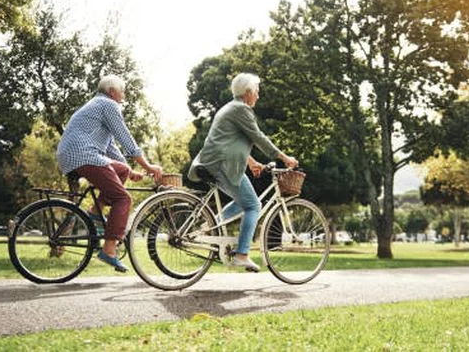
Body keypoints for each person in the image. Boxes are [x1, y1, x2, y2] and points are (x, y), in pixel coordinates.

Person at [188, 73, 298, 272]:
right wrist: (284, 157)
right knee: (253, 205)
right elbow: (257, 137)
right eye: (256, 91)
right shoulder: (241, 109)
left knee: (242, 202)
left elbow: (230, 140)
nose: (258, 95)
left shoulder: (229, 108)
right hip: (223, 164)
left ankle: (210, 224)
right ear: (248, 92)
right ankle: (242, 254)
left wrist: (252, 162)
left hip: (218, 162)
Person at [56, 75, 163, 272]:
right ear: (112, 91)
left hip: (71, 155)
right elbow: (126, 139)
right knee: (123, 199)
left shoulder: (96, 105)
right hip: (84, 156)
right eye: (122, 91)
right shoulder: (108, 105)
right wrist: (148, 167)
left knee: (121, 170)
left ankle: (96, 213)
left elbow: (111, 146)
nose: (123, 95)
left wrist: (130, 170)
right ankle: (109, 249)